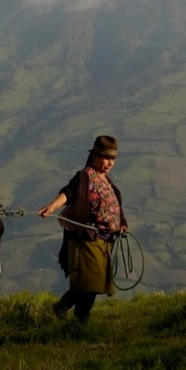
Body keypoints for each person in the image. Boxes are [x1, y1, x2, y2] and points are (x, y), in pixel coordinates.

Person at [37, 134, 128, 321]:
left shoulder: (107, 182)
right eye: (105, 157)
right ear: (95, 156)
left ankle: (81, 318)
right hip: (86, 239)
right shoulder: (84, 177)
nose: (109, 163)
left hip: (104, 241)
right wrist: (52, 206)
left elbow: (115, 208)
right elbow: (68, 193)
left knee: (94, 282)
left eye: (112, 159)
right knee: (90, 281)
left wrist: (121, 225)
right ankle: (64, 306)